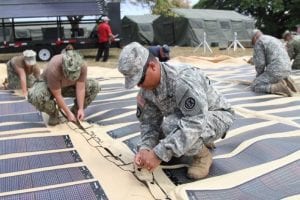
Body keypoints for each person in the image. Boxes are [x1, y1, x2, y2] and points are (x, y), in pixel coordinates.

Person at [118, 42, 234, 179]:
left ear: (153, 66)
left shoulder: (182, 80)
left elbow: (195, 122)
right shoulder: (146, 90)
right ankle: (197, 142)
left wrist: (158, 154)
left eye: (140, 79)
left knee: (171, 126)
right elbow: (149, 123)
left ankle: (203, 156)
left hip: (217, 115)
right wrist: (146, 148)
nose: (139, 85)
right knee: (164, 133)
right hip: (187, 117)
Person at [28, 50, 100, 126]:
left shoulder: (82, 65)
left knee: (94, 86)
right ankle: (53, 113)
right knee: (35, 96)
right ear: (63, 67)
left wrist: (80, 109)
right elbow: (57, 95)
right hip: (50, 87)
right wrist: (67, 113)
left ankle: (75, 112)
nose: (71, 78)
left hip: (68, 87)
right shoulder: (54, 68)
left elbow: (81, 88)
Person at [250, 29, 298, 96]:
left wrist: (259, 76)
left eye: (253, 42)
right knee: (274, 76)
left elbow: (260, 63)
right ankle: (285, 79)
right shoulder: (273, 39)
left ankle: (278, 87)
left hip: (276, 69)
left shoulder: (259, 41)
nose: (254, 44)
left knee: (255, 85)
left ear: (255, 37)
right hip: (287, 68)